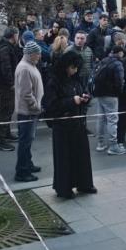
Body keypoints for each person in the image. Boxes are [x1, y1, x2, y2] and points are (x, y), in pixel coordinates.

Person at [42, 50, 96, 197]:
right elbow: (50, 105)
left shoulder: (76, 79)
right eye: (73, 67)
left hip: (78, 123)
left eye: (77, 67)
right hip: (63, 125)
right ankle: (63, 188)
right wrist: (72, 101)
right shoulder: (54, 81)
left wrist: (85, 98)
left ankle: (84, 184)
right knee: (64, 158)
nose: (75, 70)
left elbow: (83, 91)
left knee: (82, 156)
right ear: (66, 65)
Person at [14, 42, 44, 182]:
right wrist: (35, 107)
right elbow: (26, 93)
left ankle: (28, 164)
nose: (39, 56)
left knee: (28, 140)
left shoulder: (30, 65)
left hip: (31, 111)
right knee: (25, 142)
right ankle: (22, 172)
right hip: (27, 112)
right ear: (31, 54)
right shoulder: (25, 68)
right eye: (37, 53)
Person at [93, 45, 126, 155]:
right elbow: (119, 81)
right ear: (120, 53)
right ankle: (113, 146)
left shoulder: (104, 60)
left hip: (99, 92)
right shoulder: (118, 64)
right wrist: (119, 92)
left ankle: (100, 143)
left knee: (101, 118)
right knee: (112, 119)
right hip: (111, 94)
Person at [0, 27, 21, 151]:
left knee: (9, 109)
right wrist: (11, 83)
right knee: (6, 109)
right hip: (5, 84)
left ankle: (7, 133)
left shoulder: (7, 47)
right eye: (17, 35)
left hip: (5, 83)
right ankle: (1, 139)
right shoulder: (5, 48)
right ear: (14, 35)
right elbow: (6, 67)